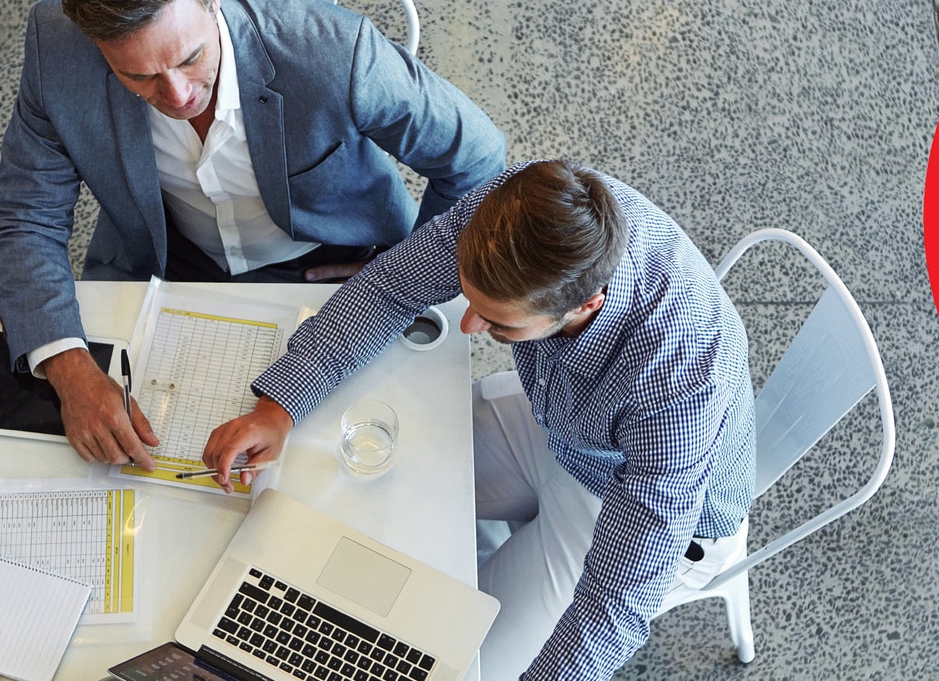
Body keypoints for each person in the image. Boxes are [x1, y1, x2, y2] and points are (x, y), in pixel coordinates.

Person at [204, 160, 757, 680]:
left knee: (455, 661)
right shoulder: (520, 207)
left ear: (586, 304)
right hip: (559, 427)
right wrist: (278, 407)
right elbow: (392, 285)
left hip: (642, 513)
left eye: (499, 324)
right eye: (470, 300)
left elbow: (616, 598)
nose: (468, 326)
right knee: (354, 494)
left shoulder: (681, 379)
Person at [0, 0, 508, 472]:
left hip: (339, 265)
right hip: (165, 256)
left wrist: (407, 270)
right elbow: (26, 216)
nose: (178, 95)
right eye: (138, 76)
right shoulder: (54, 47)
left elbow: (476, 159)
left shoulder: (332, 49)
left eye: (191, 57)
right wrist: (70, 369)